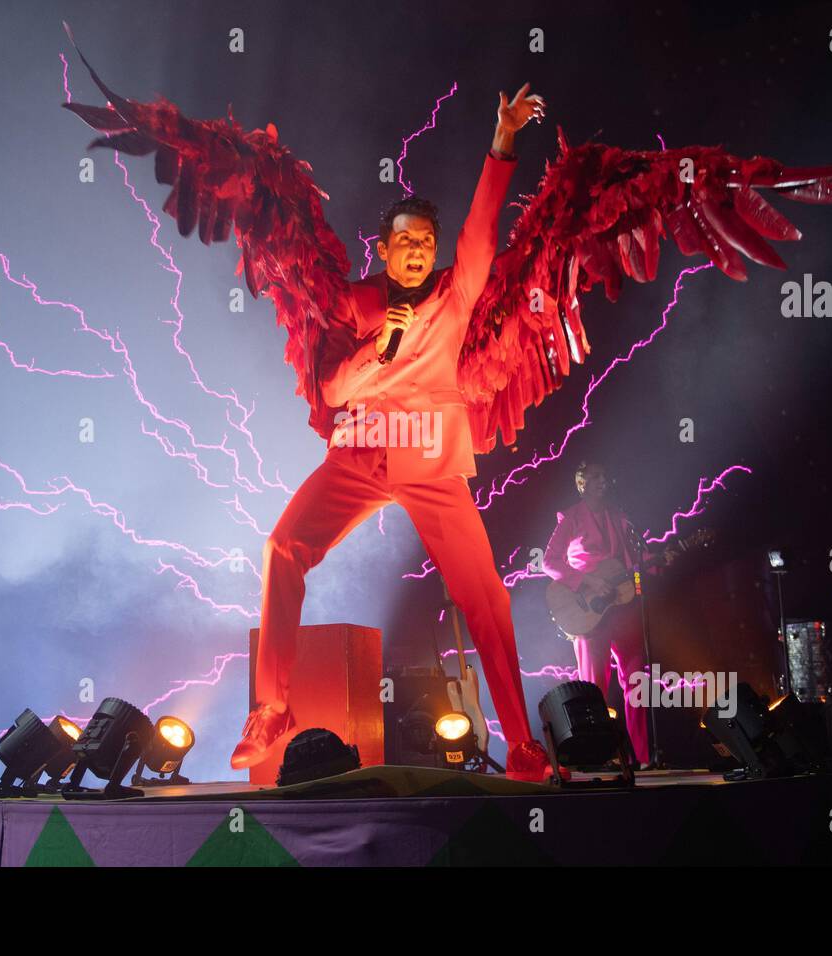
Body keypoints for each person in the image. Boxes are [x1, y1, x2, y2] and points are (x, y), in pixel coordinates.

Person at [230, 84, 559, 781]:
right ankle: (271, 708)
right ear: (382, 250)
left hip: (431, 457)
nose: (417, 251)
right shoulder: (356, 303)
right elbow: (333, 389)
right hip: (359, 452)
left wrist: (502, 144)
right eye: (404, 241)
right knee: (284, 547)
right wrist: (379, 350)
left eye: (426, 243)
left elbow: (482, 228)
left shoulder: (453, 292)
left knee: (487, 598)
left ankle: (525, 743)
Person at [542, 462, 658, 767]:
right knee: (593, 687)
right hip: (589, 612)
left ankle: (643, 758)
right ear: (581, 484)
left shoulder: (620, 516)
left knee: (637, 681)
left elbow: (635, 560)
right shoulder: (570, 517)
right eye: (595, 477)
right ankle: (597, 757)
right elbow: (550, 562)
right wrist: (588, 581)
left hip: (623, 609)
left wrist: (654, 564)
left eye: (605, 476)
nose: (603, 482)